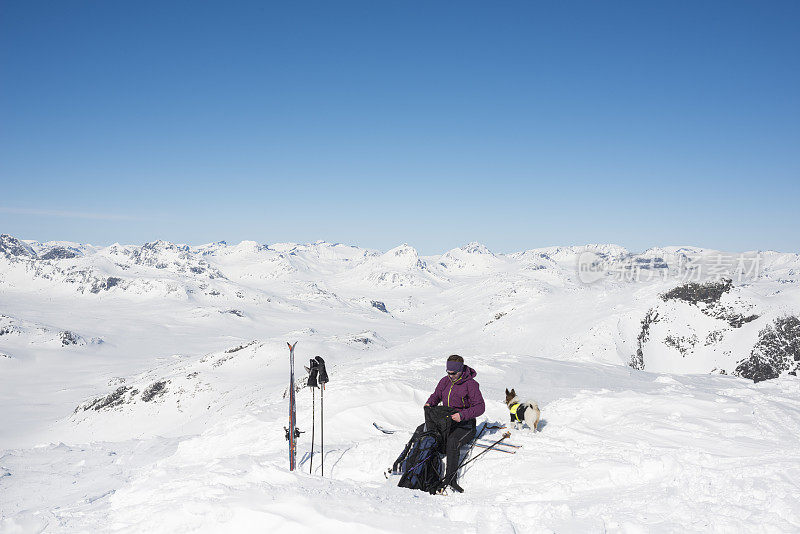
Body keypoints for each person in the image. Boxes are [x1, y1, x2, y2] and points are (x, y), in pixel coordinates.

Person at [424, 354, 485, 493]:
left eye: (453, 373)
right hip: (447, 421)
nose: (450, 375)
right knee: (426, 433)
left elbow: (480, 407)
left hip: (466, 425)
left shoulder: (471, 385)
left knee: (452, 441)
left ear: (461, 370)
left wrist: (462, 415)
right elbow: (436, 396)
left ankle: (450, 479)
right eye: (448, 372)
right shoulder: (444, 381)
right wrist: (430, 403)